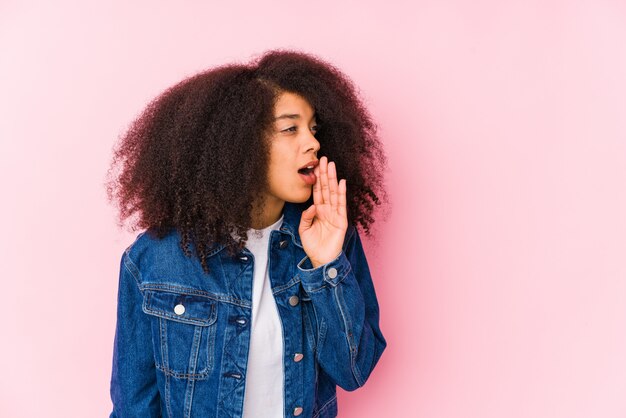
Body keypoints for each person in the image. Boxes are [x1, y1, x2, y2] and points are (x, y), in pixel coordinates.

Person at [106, 49, 389, 418]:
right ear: (238, 143)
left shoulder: (331, 238)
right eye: (290, 128)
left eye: (314, 129)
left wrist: (325, 267)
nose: (313, 143)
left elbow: (353, 371)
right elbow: (133, 407)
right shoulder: (155, 260)